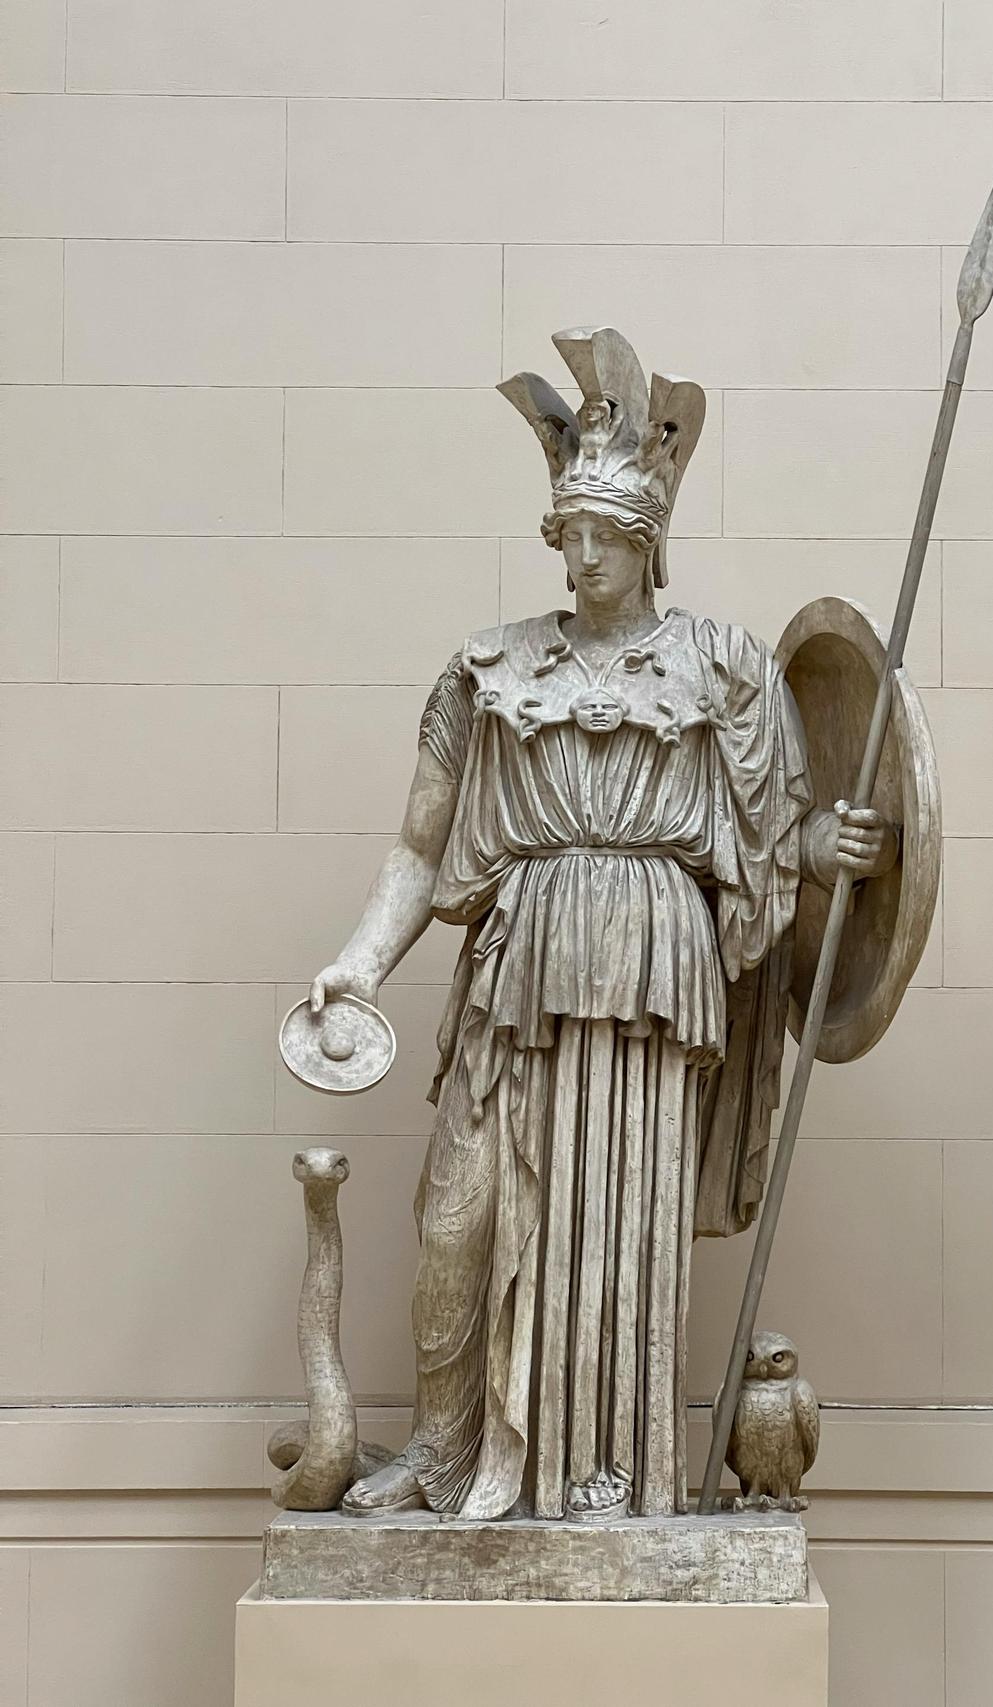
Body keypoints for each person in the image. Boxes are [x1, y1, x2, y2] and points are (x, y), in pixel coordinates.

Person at [308, 329, 896, 1522]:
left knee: (615, 1242)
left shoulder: (723, 670)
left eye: (604, 538)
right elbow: (420, 849)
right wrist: (357, 965)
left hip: (648, 972)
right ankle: (443, 1446)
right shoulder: (486, 669)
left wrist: (824, 853)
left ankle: (603, 1480)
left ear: (648, 544)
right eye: (566, 536)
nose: (580, 560)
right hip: (517, 963)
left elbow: (767, 839)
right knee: (455, 1221)